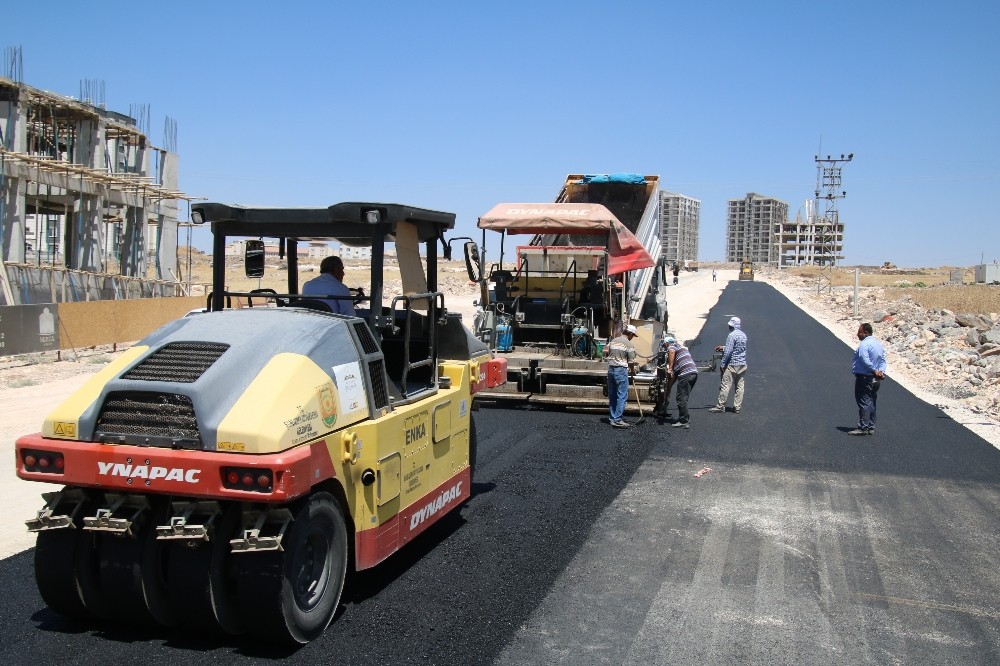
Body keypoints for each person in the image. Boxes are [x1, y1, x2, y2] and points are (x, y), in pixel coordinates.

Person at [850, 322, 887, 436]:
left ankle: (863, 427)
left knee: (864, 400)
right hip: (875, 378)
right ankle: (871, 425)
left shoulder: (864, 344)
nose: (857, 334)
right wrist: (881, 371)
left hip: (865, 377)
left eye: (859, 332)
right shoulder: (878, 344)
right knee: (872, 400)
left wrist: (873, 370)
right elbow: (883, 360)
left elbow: (864, 358)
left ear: (866, 333)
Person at [709, 316, 748, 414]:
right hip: (742, 364)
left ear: (732, 325)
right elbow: (737, 348)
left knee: (725, 385)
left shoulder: (731, 335)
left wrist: (723, 364)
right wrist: (723, 347)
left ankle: (720, 406)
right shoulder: (743, 335)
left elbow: (728, 352)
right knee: (740, 386)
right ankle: (737, 407)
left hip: (732, 364)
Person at [604, 324, 637, 428]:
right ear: (630, 333)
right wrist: (632, 371)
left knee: (612, 395)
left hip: (611, 369)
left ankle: (613, 417)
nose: (632, 337)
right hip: (621, 370)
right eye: (633, 335)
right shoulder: (628, 344)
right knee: (622, 395)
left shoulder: (613, 340)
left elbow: (606, 351)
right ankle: (617, 419)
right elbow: (631, 361)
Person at [664, 335, 698, 428]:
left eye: (665, 346)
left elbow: (671, 352)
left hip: (686, 374)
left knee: (681, 398)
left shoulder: (672, 346)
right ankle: (684, 418)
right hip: (693, 373)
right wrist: (669, 386)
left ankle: (684, 421)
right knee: (683, 397)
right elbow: (675, 375)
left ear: (666, 343)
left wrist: (670, 368)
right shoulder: (681, 349)